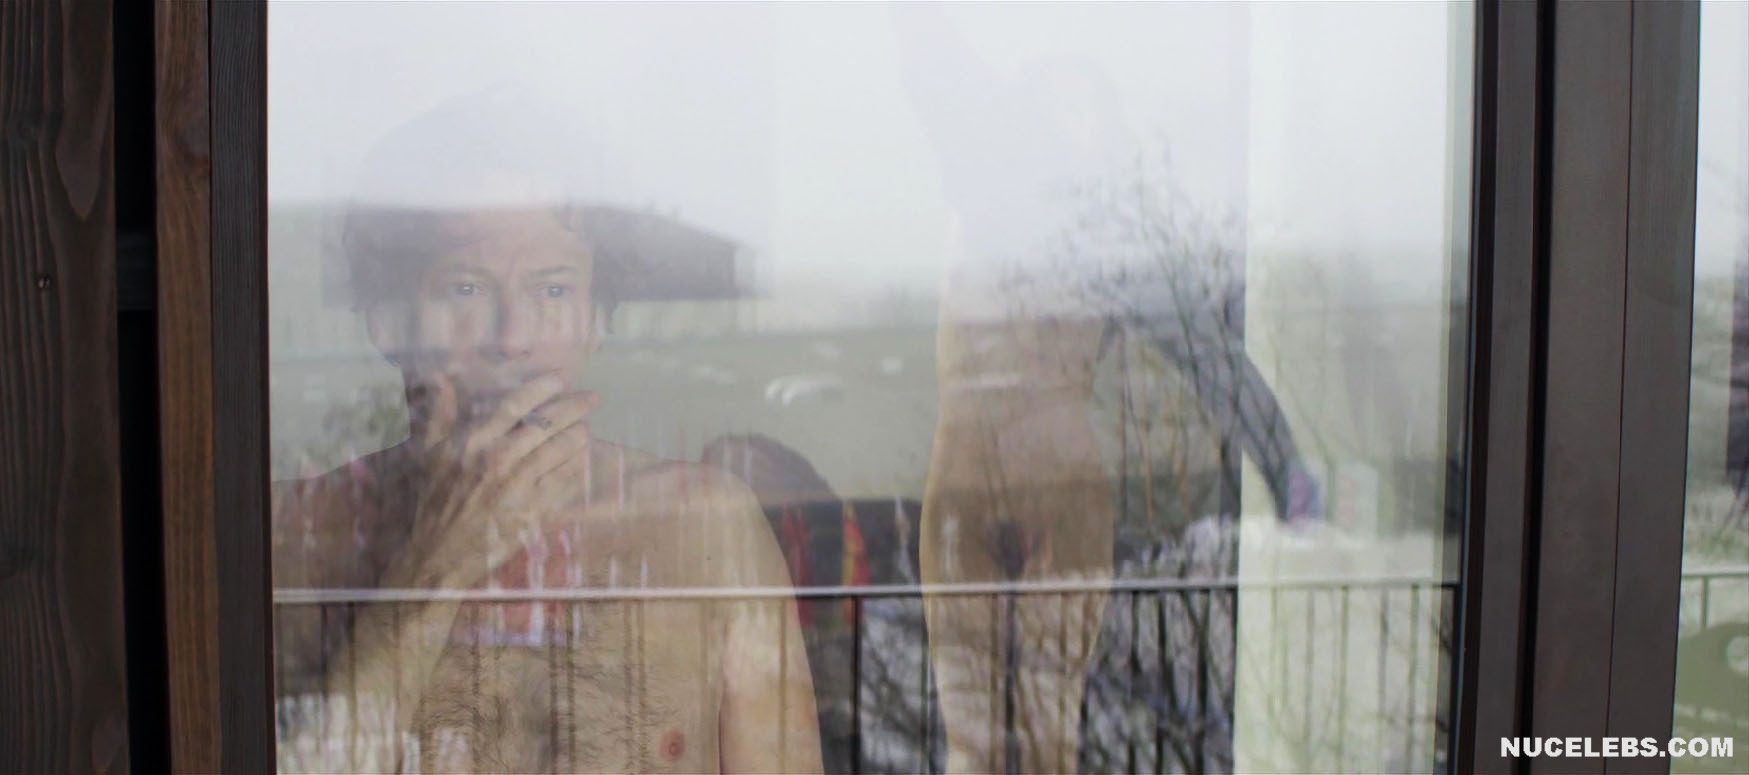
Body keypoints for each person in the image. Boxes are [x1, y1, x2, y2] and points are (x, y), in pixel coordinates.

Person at [270, 90, 822, 774]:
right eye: (466, 288)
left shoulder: (705, 523)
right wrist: (440, 560)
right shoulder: (307, 535)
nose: (513, 339)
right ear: (389, 321)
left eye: (553, 289)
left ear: (596, 321)